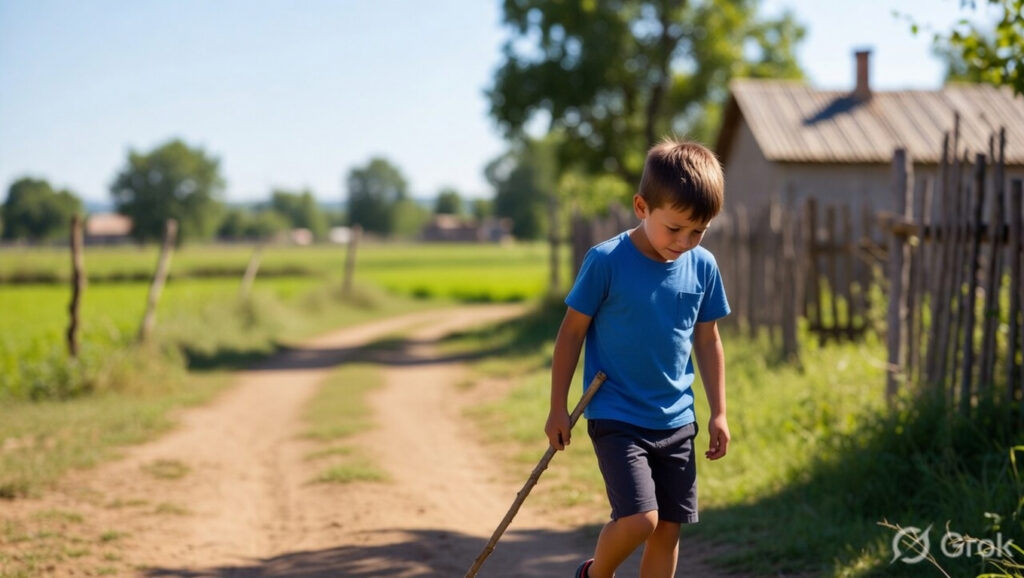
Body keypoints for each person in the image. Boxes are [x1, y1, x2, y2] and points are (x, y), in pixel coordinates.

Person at [546, 138, 731, 578]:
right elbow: (571, 333)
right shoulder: (606, 261)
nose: (685, 242)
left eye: (698, 231)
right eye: (675, 228)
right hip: (617, 416)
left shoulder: (702, 266)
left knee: (668, 528)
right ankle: (594, 574)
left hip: (676, 420)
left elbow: (708, 341)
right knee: (640, 520)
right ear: (642, 207)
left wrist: (719, 412)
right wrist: (557, 406)